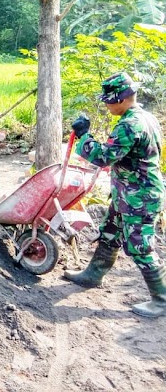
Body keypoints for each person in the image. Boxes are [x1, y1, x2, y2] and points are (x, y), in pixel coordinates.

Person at [65, 72, 166, 318]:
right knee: (110, 232)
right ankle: (93, 275)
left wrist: (84, 136)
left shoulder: (130, 125)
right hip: (127, 193)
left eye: (108, 101)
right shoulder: (144, 117)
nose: (106, 105)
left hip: (139, 198)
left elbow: (102, 157)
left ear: (121, 99)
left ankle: (161, 299)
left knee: (140, 247)